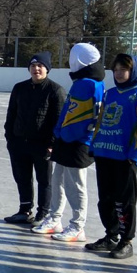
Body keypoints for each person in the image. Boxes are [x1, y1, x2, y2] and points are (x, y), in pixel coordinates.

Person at [34, 43, 105, 242]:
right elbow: (68, 111)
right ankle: (55, 218)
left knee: (76, 185)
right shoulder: (82, 82)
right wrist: (59, 132)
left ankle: (77, 225)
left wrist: (66, 135)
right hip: (67, 139)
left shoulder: (89, 84)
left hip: (78, 142)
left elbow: (82, 117)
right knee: (58, 180)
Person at [84, 53, 137, 259]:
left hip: (124, 157)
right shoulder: (110, 93)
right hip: (104, 152)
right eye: (116, 69)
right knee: (106, 199)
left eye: (123, 69)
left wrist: (136, 154)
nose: (118, 73)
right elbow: (101, 121)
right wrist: (94, 144)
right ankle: (111, 236)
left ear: (133, 70)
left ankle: (126, 241)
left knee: (124, 201)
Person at [3, 52, 65, 225]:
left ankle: (43, 213)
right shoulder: (19, 88)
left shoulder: (55, 90)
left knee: (44, 180)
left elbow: (58, 119)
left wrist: (52, 144)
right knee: (22, 177)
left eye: (40, 66)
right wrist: (10, 137)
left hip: (42, 144)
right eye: (33, 66)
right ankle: (24, 210)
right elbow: (11, 114)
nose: (36, 69)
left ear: (47, 69)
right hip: (19, 142)